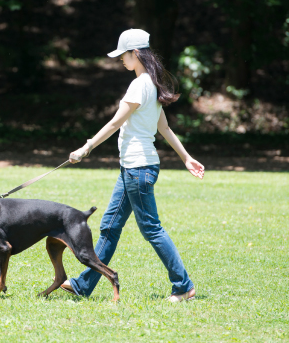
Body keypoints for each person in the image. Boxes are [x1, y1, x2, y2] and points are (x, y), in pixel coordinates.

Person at [60, 28, 204, 302]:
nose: (120, 60)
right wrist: (186, 157)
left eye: (123, 55)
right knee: (110, 227)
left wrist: (86, 147)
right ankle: (83, 285)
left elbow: (116, 122)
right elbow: (165, 129)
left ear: (135, 53)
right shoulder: (151, 83)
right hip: (133, 168)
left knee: (151, 228)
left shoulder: (140, 85)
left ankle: (183, 286)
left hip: (139, 169)